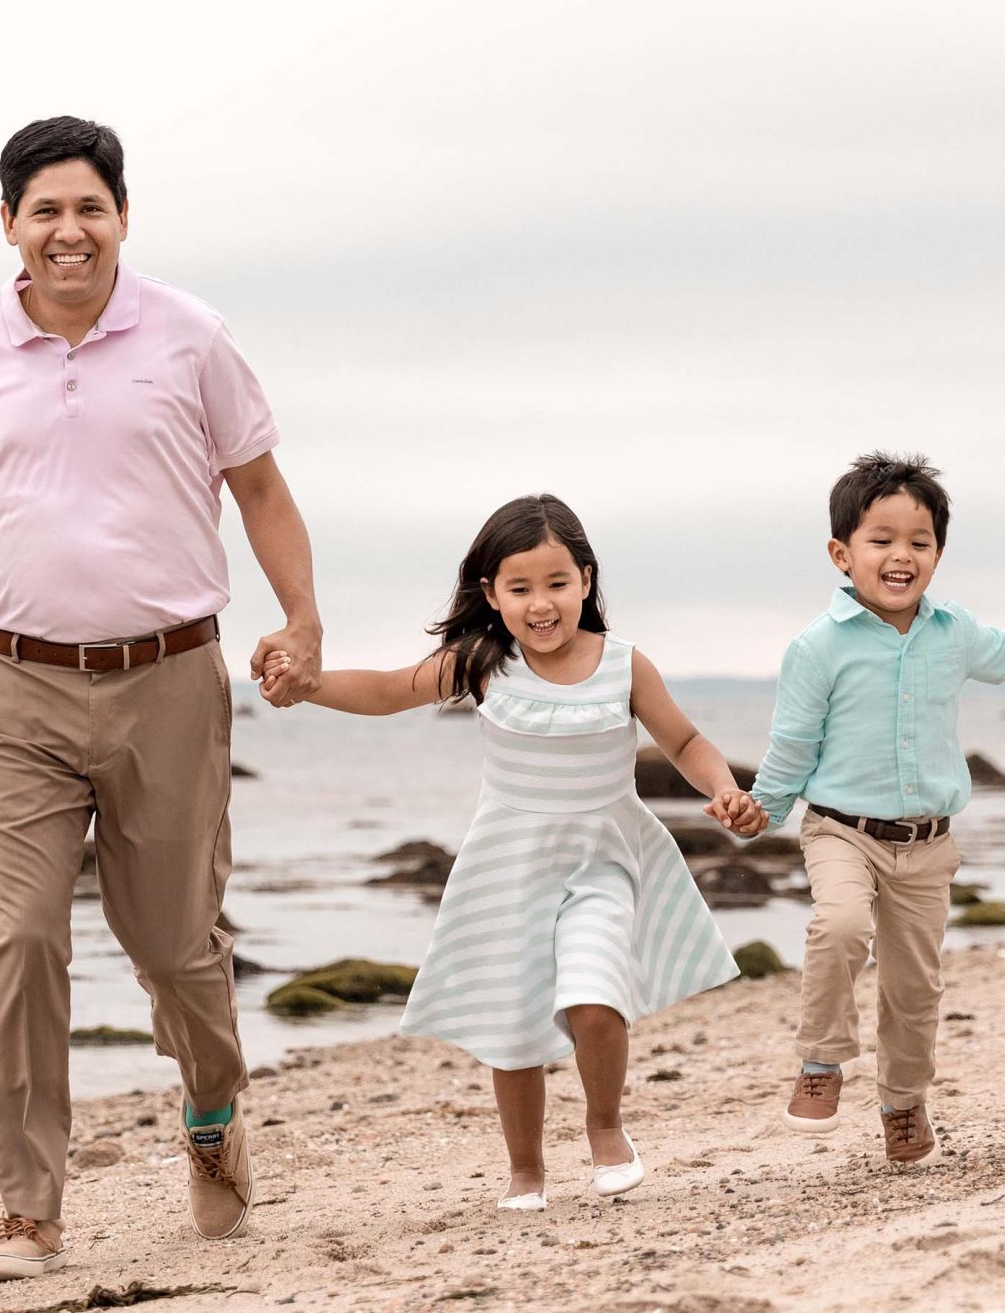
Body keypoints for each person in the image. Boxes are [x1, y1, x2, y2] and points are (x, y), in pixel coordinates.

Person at [0, 116, 325, 1282]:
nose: (68, 232)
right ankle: (30, 1211)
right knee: (20, 938)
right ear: (10, 226)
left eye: (90, 208)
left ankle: (213, 1110)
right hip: (13, 683)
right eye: (44, 211)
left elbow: (261, 486)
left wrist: (300, 618)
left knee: (173, 948)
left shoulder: (191, 337)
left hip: (169, 679)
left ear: (122, 216)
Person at [263, 494, 761, 1211]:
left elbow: (684, 742)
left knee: (596, 994)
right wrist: (308, 687)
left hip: (604, 861)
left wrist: (721, 787)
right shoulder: (483, 661)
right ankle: (525, 1169)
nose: (541, 603)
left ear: (586, 581)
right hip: (509, 867)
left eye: (556, 583)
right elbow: (382, 691)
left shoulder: (623, 665)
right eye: (520, 588)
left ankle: (605, 1126)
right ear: (491, 595)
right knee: (514, 1022)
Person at [750, 453, 1005, 1164]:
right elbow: (792, 745)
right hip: (841, 830)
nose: (901, 555)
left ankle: (902, 1102)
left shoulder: (953, 633)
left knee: (915, 988)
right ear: (842, 553)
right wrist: (759, 810)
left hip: (927, 844)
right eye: (881, 539)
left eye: (918, 542)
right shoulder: (817, 647)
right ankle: (822, 1062)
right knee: (836, 925)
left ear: (938, 554)